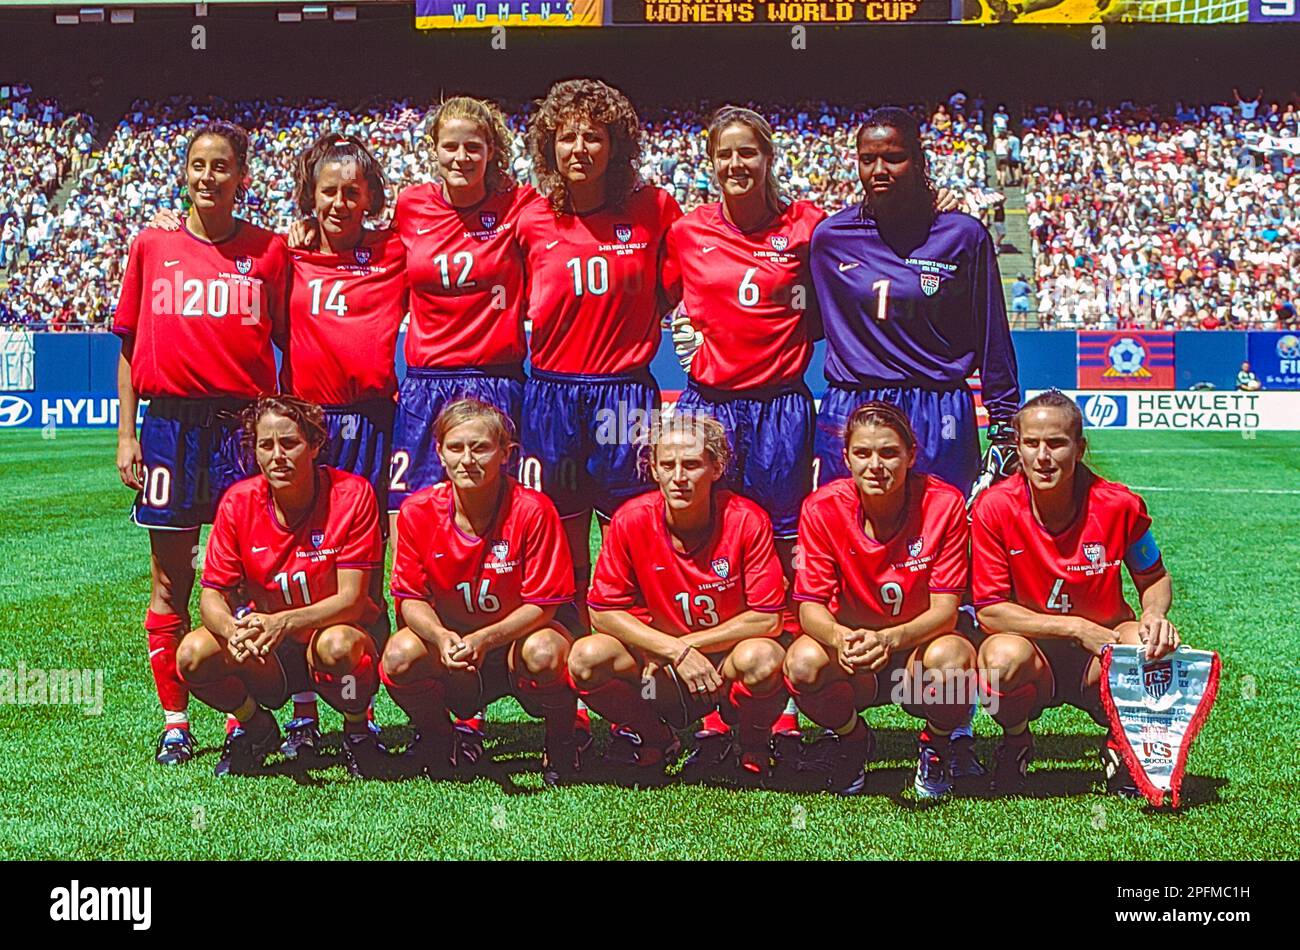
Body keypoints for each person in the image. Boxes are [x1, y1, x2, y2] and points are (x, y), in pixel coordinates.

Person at [113, 121, 290, 766]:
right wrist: (128, 432)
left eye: (222, 166)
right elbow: (129, 345)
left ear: (243, 177)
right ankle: (176, 721)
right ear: (184, 173)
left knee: (248, 578)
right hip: (168, 427)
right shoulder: (152, 245)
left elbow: (290, 341)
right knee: (171, 580)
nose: (209, 176)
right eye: (198, 165)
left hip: (242, 427)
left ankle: (256, 713)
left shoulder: (271, 252)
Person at [660, 105, 824, 761]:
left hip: (782, 408)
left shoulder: (808, 227)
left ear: (767, 158)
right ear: (711, 162)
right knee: (707, 547)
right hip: (710, 409)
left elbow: (822, 312)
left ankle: (773, 713)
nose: (736, 165)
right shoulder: (686, 231)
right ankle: (712, 715)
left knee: (782, 553)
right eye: (724, 154)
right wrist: (682, 335)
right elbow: (656, 299)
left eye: (747, 153)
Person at [516, 78, 683, 635]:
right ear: (549, 147)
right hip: (552, 396)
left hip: (623, 393)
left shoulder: (655, 209)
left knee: (627, 537)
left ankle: (625, 671)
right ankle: (569, 681)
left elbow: (692, 279)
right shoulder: (530, 216)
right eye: (567, 138)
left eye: (593, 136)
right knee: (560, 545)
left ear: (616, 147)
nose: (579, 149)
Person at [971, 391, 1182, 796]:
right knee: (999, 658)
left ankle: (1122, 745)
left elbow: (1153, 576)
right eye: (1031, 444)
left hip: (1101, 650)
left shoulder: (1120, 505)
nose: (1043, 457)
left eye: (1056, 443)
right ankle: (1016, 741)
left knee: (1145, 641)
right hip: (1034, 651)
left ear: (1080, 448)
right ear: (1017, 447)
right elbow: (991, 612)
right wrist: (1075, 628)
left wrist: (1154, 614)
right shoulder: (994, 508)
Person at [809, 106, 1021, 505]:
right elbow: (801, 321)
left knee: (944, 535)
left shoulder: (962, 235)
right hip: (853, 402)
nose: (879, 170)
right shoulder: (830, 238)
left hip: (937, 407)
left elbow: (991, 332)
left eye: (894, 157)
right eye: (868, 159)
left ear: (920, 160)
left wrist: (1005, 419)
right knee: (845, 535)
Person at [569, 415, 789, 779]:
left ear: (717, 468)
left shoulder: (747, 520)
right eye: (667, 465)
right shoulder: (631, 520)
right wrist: (674, 652)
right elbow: (603, 612)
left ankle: (751, 744)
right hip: (661, 663)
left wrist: (689, 646)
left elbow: (767, 618)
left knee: (763, 658)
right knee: (586, 658)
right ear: (653, 469)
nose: (679, 477)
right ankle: (657, 737)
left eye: (691, 465)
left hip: (726, 661)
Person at [177, 396, 386, 777]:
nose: (277, 455)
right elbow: (211, 596)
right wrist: (232, 630)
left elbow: (353, 601)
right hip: (270, 650)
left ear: (316, 445)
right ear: (254, 450)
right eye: (266, 445)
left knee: (337, 646)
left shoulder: (352, 495)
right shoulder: (238, 503)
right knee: (193, 654)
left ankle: (357, 731)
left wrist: (283, 622)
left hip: (339, 638)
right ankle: (256, 727)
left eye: (289, 443)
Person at [379, 399, 581, 786]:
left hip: (516, 639)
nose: (467, 459)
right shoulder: (417, 511)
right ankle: (441, 738)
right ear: (438, 453)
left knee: (545, 652)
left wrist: (485, 639)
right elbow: (409, 598)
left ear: (506, 453)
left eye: (481, 447)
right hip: (455, 640)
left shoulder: (533, 510)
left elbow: (543, 605)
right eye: (455, 448)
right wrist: (441, 638)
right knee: (400, 656)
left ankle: (561, 740)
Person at [786, 402, 982, 797]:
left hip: (918, 650)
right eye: (863, 453)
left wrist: (890, 639)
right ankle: (852, 740)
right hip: (853, 652)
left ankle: (937, 744)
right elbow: (810, 607)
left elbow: (945, 610)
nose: (876, 465)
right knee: (802, 663)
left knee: (953, 659)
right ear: (846, 458)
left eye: (889, 452)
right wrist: (842, 638)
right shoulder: (821, 509)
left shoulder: (943, 505)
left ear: (912, 454)